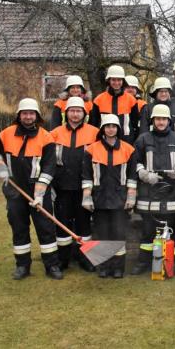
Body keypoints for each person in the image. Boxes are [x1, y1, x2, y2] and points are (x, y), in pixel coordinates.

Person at [0, 98, 63, 280]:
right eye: (25, 113)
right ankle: (22, 266)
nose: (28, 116)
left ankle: (52, 266)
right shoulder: (6, 134)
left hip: (39, 191)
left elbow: (49, 166)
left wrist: (39, 193)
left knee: (46, 228)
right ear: (19, 115)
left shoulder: (46, 137)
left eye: (31, 113)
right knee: (19, 228)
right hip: (14, 190)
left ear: (36, 116)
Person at [130, 104, 175, 276]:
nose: (160, 122)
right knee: (147, 230)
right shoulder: (142, 139)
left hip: (171, 190)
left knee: (172, 229)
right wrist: (144, 174)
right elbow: (136, 161)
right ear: (152, 120)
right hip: (149, 191)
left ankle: (172, 261)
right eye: (157, 119)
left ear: (168, 120)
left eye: (163, 119)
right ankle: (143, 261)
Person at [81, 114, 138, 279]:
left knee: (119, 234)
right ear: (102, 129)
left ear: (118, 129)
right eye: (107, 126)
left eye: (114, 126)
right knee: (102, 233)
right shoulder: (91, 149)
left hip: (120, 200)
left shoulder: (129, 149)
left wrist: (131, 198)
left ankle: (118, 267)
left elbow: (132, 177)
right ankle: (104, 266)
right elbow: (86, 176)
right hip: (99, 199)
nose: (111, 129)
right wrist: (87, 197)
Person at [49, 96, 99, 272]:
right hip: (61, 187)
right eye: (72, 110)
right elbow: (47, 161)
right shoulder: (55, 133)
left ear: (84, 113)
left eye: (79, 111)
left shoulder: (94, 132)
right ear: (66, 113)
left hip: (84, 187)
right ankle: (63, 259)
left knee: (84, 224)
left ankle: (85, 259)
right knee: (62, 223)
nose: (75, 114)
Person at [88, 65, 140, 144]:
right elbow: (93, 124)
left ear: (123, 81)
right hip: (103, 141)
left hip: (126, 142)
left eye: (119, 80)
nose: (116, 83)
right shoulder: (98, 99)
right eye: (113, 80)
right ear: (109, 80)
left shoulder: (131, 100)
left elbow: (135, 124)